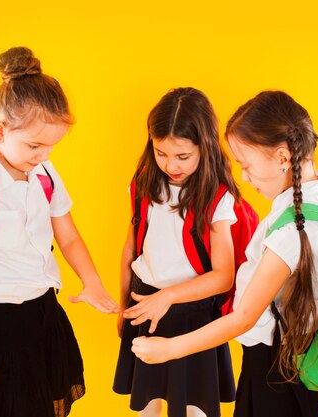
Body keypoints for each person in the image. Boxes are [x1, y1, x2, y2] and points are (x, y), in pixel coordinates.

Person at [0, 46, 119, 417]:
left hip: (42, 314)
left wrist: (91, 280)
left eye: (52, 146)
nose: (44, 155)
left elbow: (68, 235)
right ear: (0, 131)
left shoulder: (44, 174)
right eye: (35, 145)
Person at [131, 90, 318, 417]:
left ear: (283, 158)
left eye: (247, 165)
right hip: (293, 362)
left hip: (278, 367)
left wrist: (170, 348)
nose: (244, 177)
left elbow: (244, 317)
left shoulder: (292, 234)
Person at [113, 87, 239, 417]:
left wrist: (168, 297)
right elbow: (131, 247)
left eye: (183, 156)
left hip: (193, 313)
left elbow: (223, 277)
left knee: (196, 409)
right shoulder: (142, 183)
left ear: (205, 147)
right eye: (161, 153)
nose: (171, 165)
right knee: (148, 406)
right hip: (143, 303)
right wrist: (123, 305)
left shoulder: (217, 197)